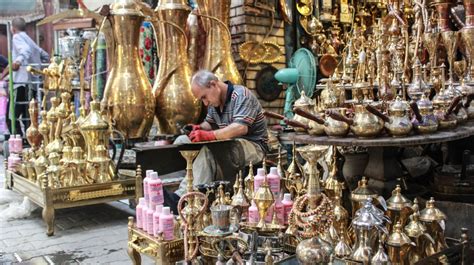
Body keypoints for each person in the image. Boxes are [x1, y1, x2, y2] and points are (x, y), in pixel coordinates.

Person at [164, 70, 268, 212]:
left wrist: (208, 136)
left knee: (207, 151)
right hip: (229, 143)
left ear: (213, 84)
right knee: (183, 141)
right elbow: (209, 125)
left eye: (204, 97)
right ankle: (183, 191)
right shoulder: (215, 103)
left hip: (253, 146)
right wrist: (197, 128)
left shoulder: (242, 95)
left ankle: (190, 199)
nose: (205, 103)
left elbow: (240, 128)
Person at [0, 18, 49, 136]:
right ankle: (28, 140)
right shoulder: (30, 40)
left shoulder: (17, 38)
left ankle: (18, 140)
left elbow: (25, 51)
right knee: (29, 114)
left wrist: (18, 61)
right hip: (33, 84)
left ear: (13, 29)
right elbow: (45, 56)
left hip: (20, 83)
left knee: (11, 116)